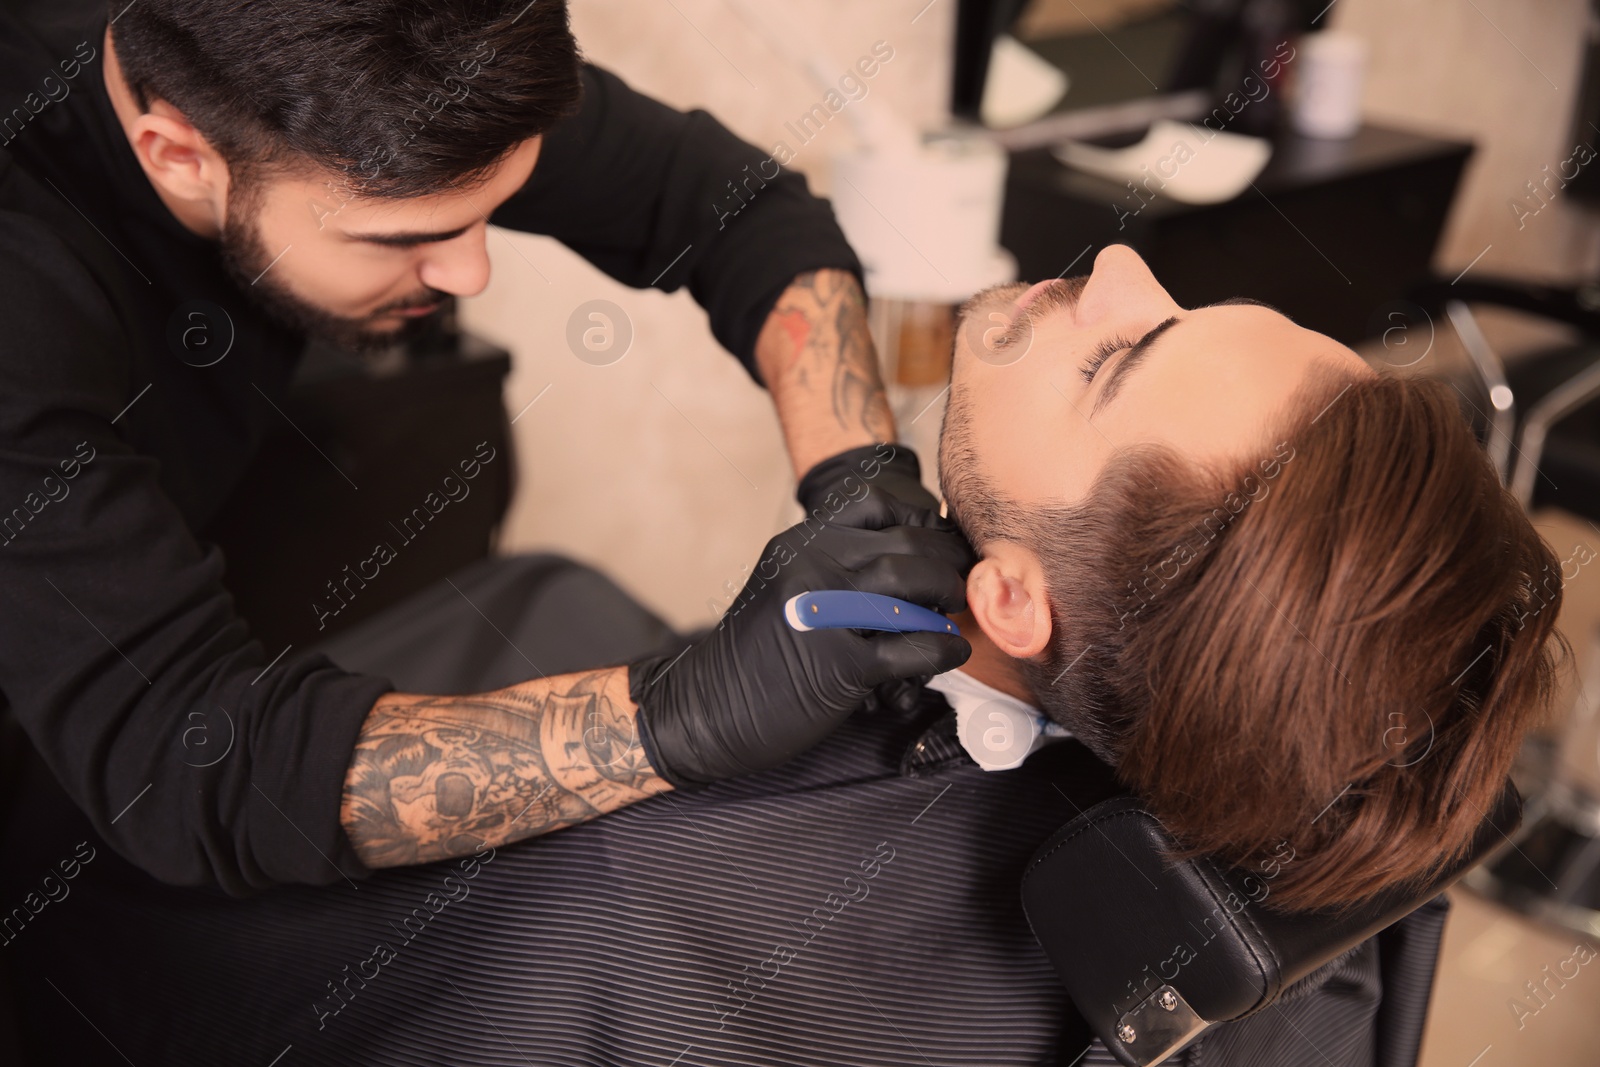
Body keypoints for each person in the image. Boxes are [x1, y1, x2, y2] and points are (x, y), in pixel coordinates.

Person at [0, 246, 1565, 1066]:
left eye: (1118, 353)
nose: (1116, 263)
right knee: (542, 579)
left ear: (1011, 606)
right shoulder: (1304, 833)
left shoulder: (600, 917)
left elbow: (155, 941)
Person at [0, 0, 971, 910]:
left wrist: (858, 477)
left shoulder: (385, 71)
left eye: (489, 207)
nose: (472, 271)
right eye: (409, 237)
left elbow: (738, 208)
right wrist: (677, 717)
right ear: (176, 155)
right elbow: (188, 761)